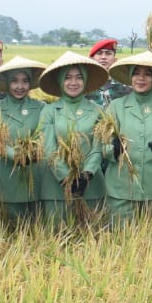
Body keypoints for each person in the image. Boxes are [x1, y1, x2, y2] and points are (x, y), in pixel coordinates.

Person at [93, 52, 152, 226]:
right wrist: (114, 149)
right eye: (136, 73)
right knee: (122, 242)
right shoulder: (116, 107)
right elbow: (102, 146)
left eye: (148, 74)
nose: (141, 78)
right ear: (130, 77)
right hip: (122, 189)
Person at [39, 51, 110, 223]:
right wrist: (65, 177)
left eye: (79, 77)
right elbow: (48, 148)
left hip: (92, 187)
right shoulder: (49, 111)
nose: (73, 82)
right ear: (60, 81)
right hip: (56, 188)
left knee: (93, 240)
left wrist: (87, 174)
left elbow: (98, 146)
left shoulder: (97, 111)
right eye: (68, 77)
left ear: (85, 80)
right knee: (57, 238)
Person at [0, 57, 51, 225]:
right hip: (8, 175)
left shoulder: (41, 107)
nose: (20, 86)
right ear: (7, 82)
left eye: (25, 81)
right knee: (10, 228)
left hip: (35, 173)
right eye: (14, 81)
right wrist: (15, 154)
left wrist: (33, 153)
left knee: (36, 227)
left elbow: (45, 136)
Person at [87, 39, 132, 106]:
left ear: (115, 60)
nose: (103, 57)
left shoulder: (125, 85)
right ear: (91, 59)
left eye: (108, 53)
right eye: (99, 53)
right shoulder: (84, 85)